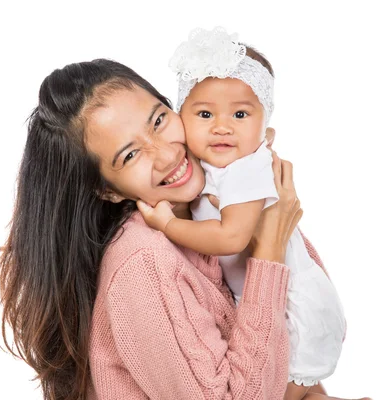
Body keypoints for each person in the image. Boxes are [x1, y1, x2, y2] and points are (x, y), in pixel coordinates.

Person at [0, 58, 367, 399]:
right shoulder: (143, 262)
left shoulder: (212, 199)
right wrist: (269, 246)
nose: (167, 153)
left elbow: (293, 344)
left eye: (158, 120)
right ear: (107, 189)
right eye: (130, 155)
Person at [136, 28, 346, 400]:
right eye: (204, 114)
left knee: (281, 393)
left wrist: (169, 224)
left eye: (240, 114)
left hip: (291, 307)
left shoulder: (247, 170)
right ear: (181, 117)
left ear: (267, 129)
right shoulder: (212, 167)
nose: (222, 126)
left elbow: (231, 237)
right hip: (259, 299)